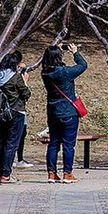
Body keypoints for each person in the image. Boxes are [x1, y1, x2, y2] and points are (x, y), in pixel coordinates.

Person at [41, 42, 88, 183]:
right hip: (68, 112)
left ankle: (51, 173)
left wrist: (56, 48)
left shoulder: (45, 73)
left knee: (53, 144)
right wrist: (75, 52)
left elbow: (52, 59)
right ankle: (67, 173)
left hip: (53, 113)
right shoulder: (65, 72)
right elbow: (83, 65)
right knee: (68, 144)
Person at [0, 51, 31, 185]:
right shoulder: (15, 77)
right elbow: (26, 94)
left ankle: (0, 174)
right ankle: (6, 175)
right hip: (16, 112)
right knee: (11, 143)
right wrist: (25, 81)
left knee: (1, 142)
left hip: (1, 113)